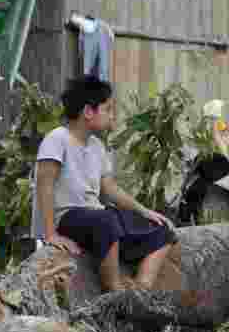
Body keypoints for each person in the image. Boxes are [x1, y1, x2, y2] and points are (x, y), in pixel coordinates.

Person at [35, 75, 175, 291]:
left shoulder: (97, 146)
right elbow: (45, 186)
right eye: (108, 109)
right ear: (88, 112)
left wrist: (144, 211)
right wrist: (51, 234)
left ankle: (141, 290)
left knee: (163, 230)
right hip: (68, 218)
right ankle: (114, 291)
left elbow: (110, 189)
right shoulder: (57, 139)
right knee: (106, 220)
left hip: (97, 217)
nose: (112, 116)